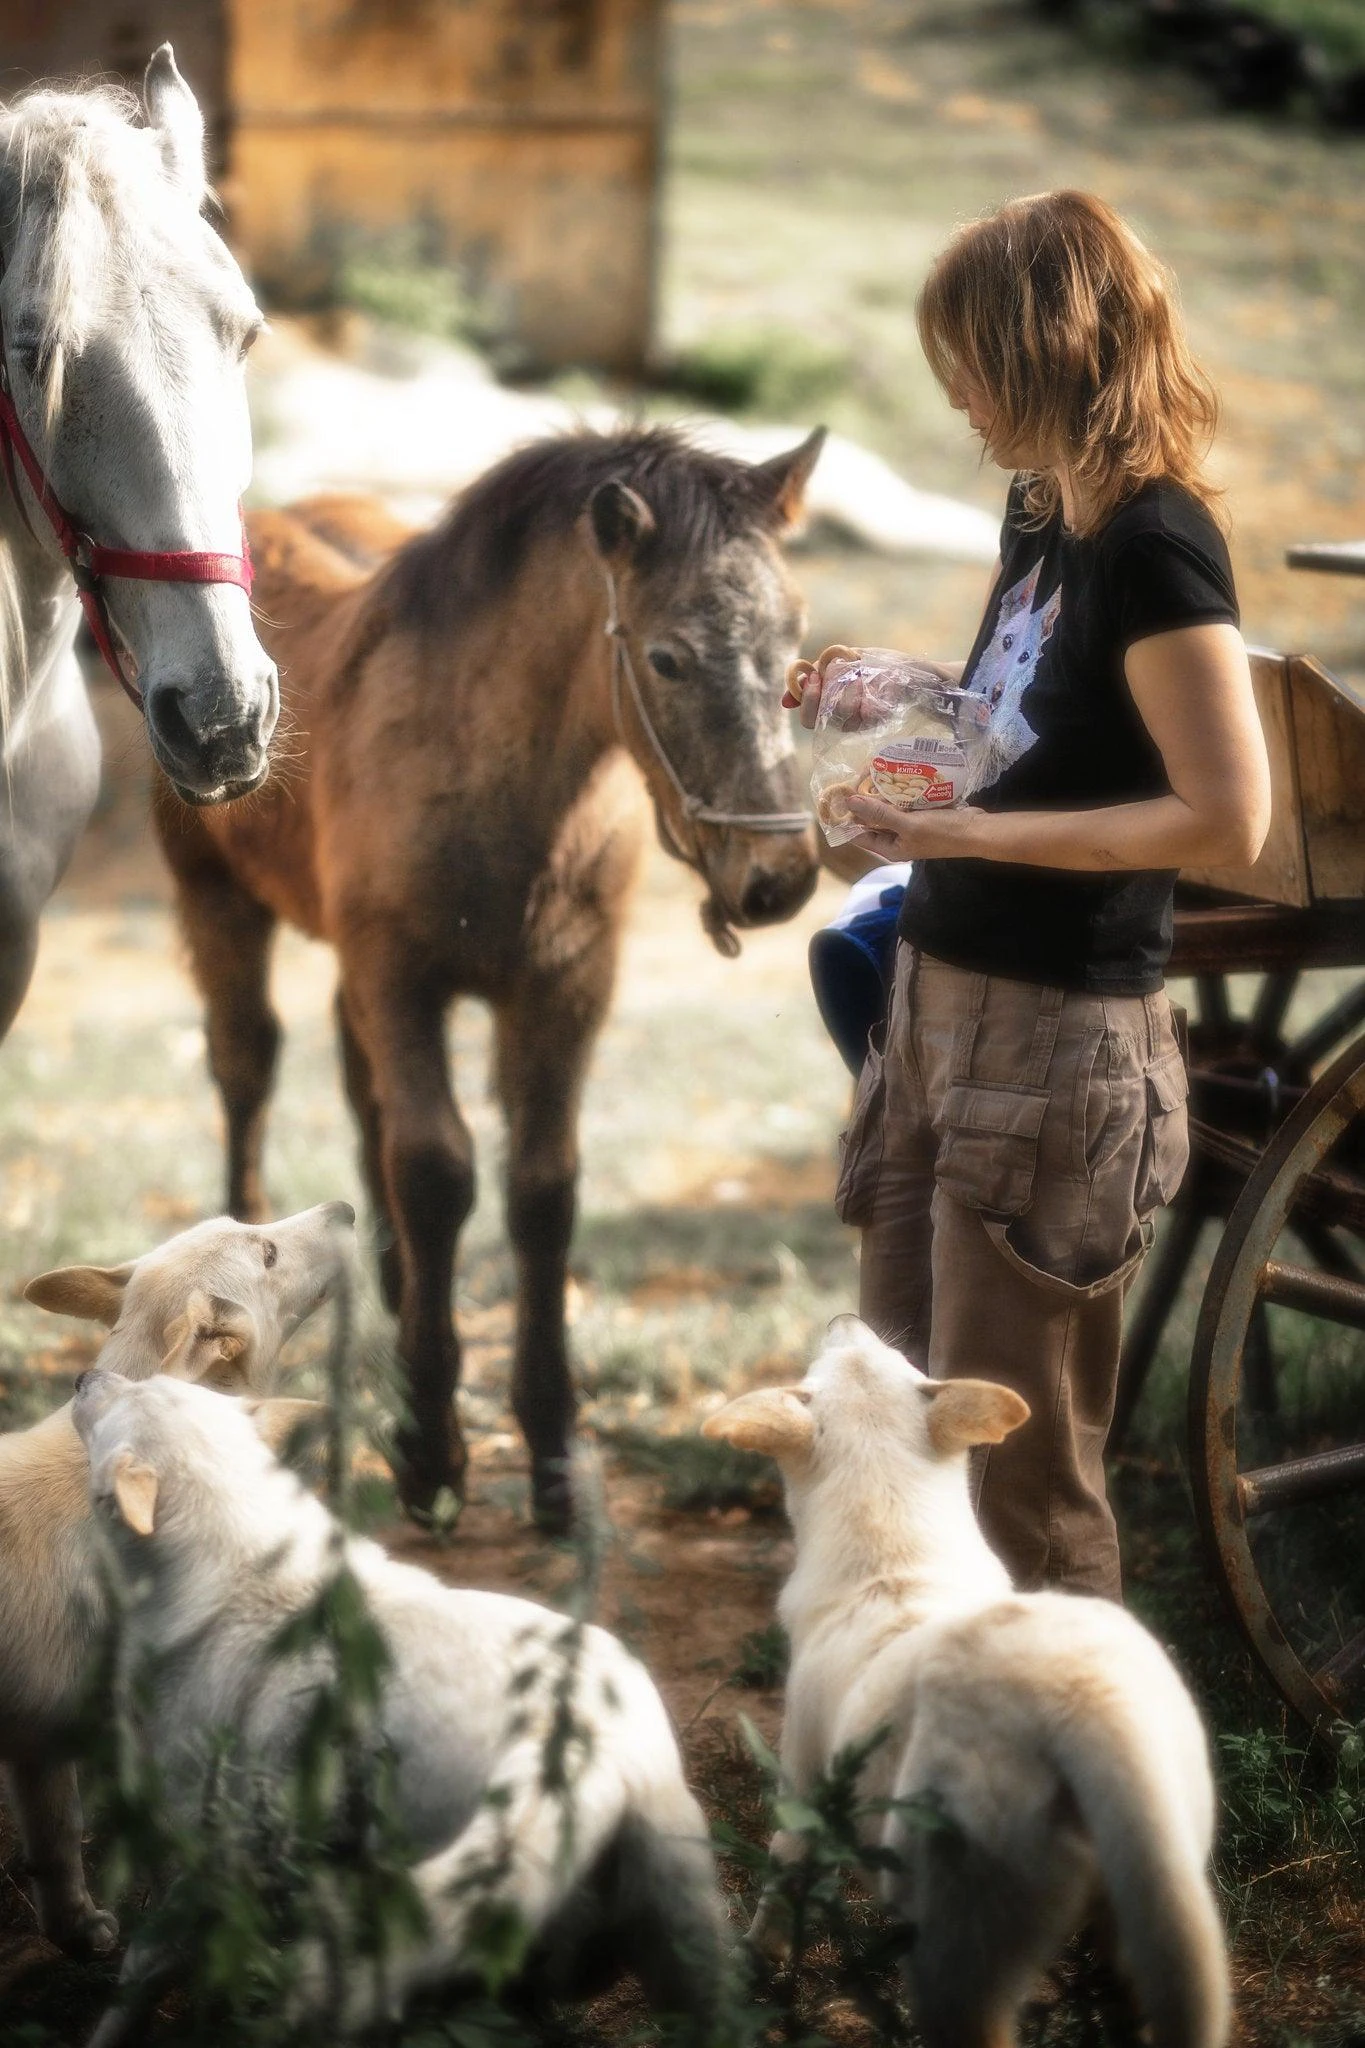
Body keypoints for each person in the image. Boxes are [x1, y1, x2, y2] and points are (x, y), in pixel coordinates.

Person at [787, 191, 1271, 1600]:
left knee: (1020, 1487)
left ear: (1044, 351)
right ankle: (920, 1712)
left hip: (1056, 1049)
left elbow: (1223, 816)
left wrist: (971, 836)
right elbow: (1019, 728)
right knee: (901, 1424)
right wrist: (898, 706)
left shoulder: (1157, 545)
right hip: (939, 1010)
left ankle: (1057, 1724)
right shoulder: (1046, 510)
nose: (959, 402)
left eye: (972, 366)